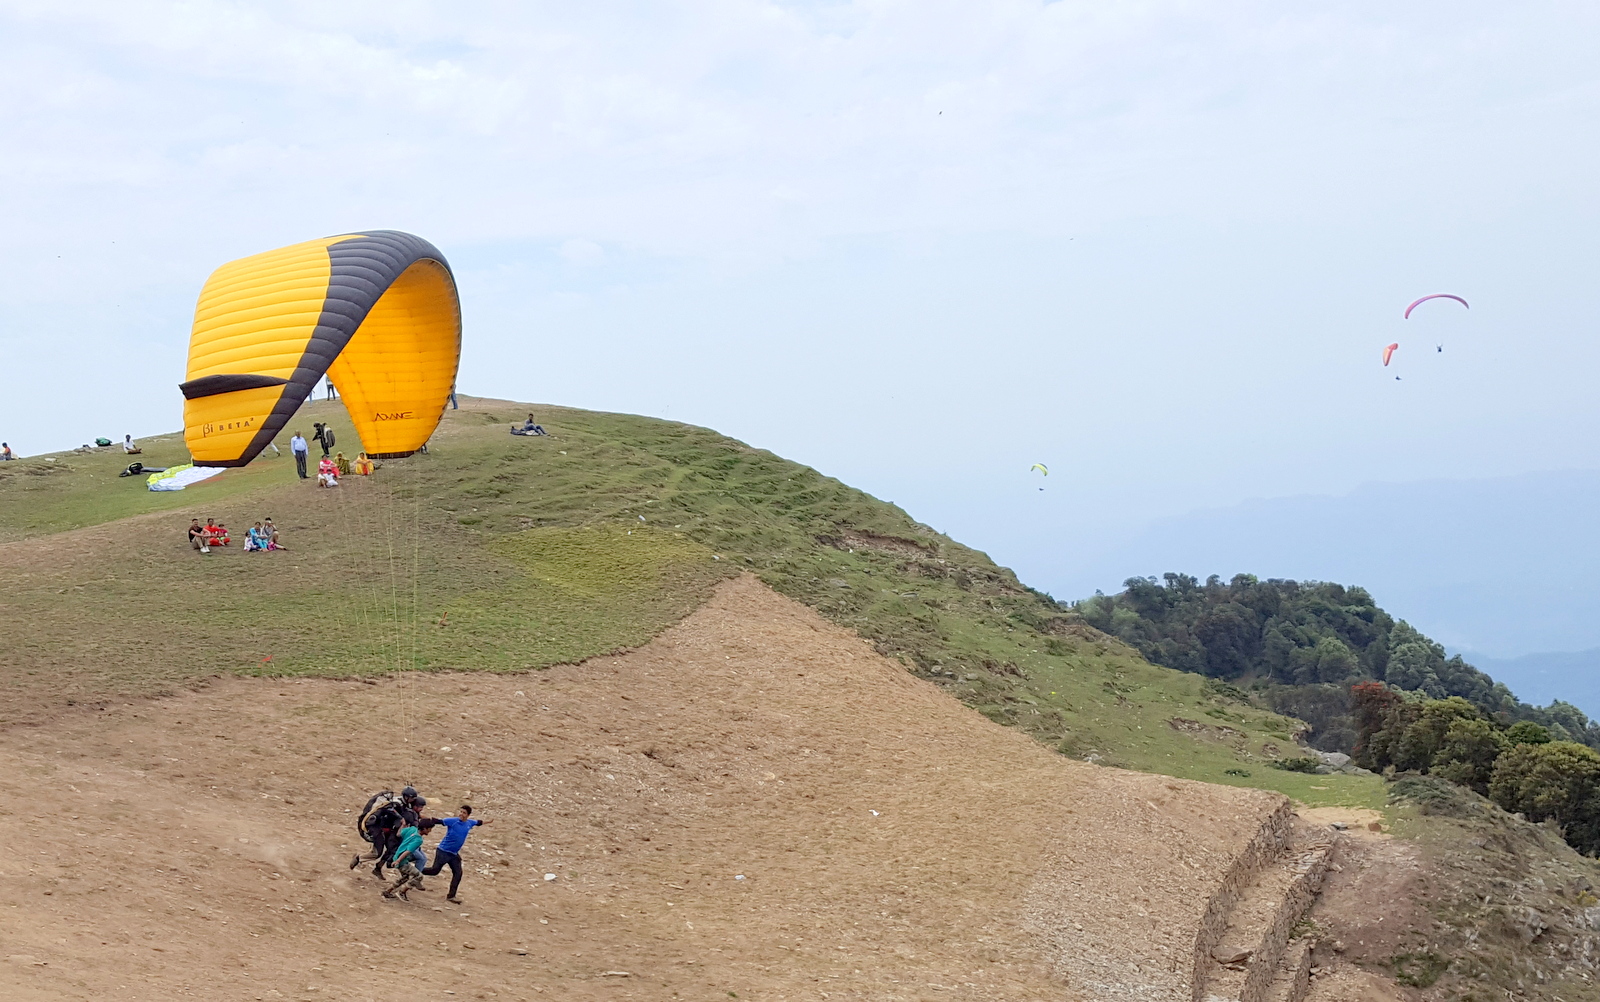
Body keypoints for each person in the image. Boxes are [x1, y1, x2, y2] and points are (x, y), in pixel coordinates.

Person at [421, 805, 490, 903]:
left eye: (464, 813)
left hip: (453, 854)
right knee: (434, 871)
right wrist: (422, 817)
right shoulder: (453, 821)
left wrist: (490, 821)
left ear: (468, 815)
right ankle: (415, 871)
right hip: (443, 851)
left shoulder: (469, 823)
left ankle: (451, 896)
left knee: (458, 873)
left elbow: (479, 822)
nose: (461, 814)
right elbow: (438, 821)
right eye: (461, 812)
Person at [352, 797, 405, 878]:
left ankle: (377, 868)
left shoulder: (394, 806)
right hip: (377, 830)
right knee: (377, 853)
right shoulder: (392, 807)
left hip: (383, 831)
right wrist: (401, 819)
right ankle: (359, 858)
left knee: (388, 850)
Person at [381, 823, 426, 900]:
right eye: (429, 829)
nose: (430, 831)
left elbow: (398, 834)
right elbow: (408, 851)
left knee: (405, 877)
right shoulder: (418, 840)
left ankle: (388, 891)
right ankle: (402, 892)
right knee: (419, 876)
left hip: (397, 856)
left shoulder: (412, 829)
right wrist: (399, 861)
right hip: (402, 860)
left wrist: (402, 825)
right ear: (425, 829)